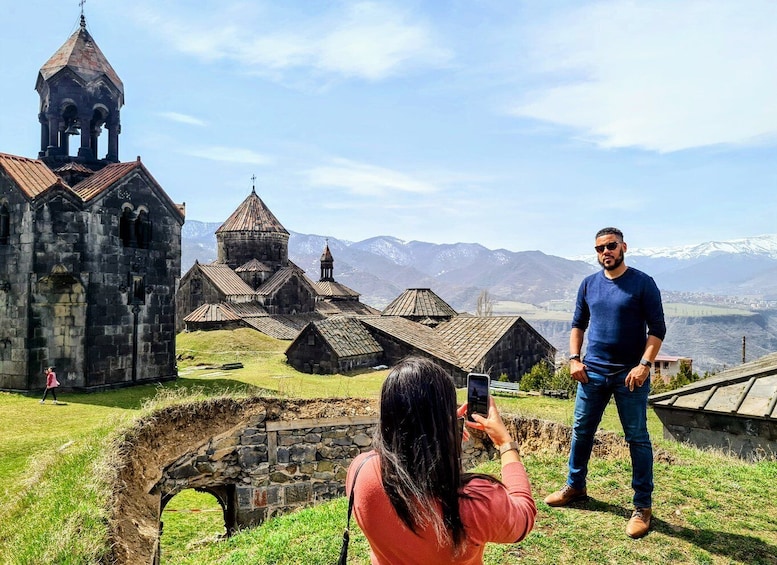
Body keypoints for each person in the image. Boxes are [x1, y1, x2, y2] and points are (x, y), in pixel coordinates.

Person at [346, 356, 536, 564]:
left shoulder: (359, 471)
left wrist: (435, 430)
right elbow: (524, 517)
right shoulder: (473, 502)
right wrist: (505, 443)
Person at [544, 227, 666, 539]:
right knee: (582, 431)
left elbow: (657, 329)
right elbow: (577, 324)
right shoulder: (588, 284)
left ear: (623, 247)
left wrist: (644, 365)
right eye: (599, 248)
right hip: (592, 373)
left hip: (630, 376)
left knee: (637, 438)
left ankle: (642, 507)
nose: (605, 252)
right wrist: (574, 358)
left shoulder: (643, 283)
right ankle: (575, 487)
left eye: (610, 246)